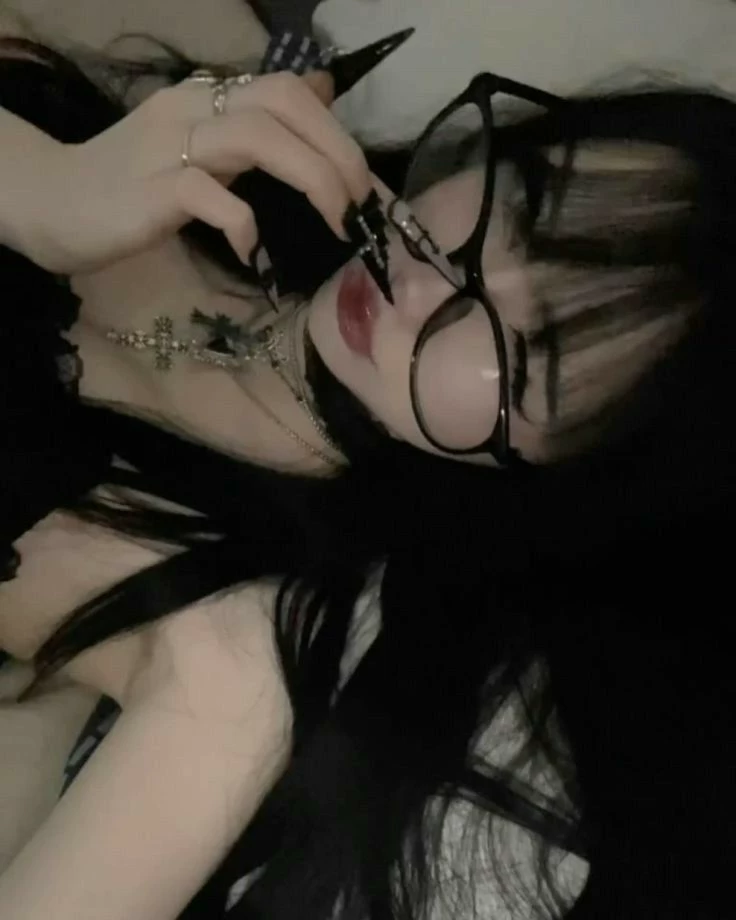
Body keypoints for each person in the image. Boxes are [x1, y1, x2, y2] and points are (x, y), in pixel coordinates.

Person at [0, 22, 735, 920]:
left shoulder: (238, 651)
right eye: (524, 203)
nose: (425, 285)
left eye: (532, 352)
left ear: (574, 473)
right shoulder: (224, 145)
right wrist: (40, 182)